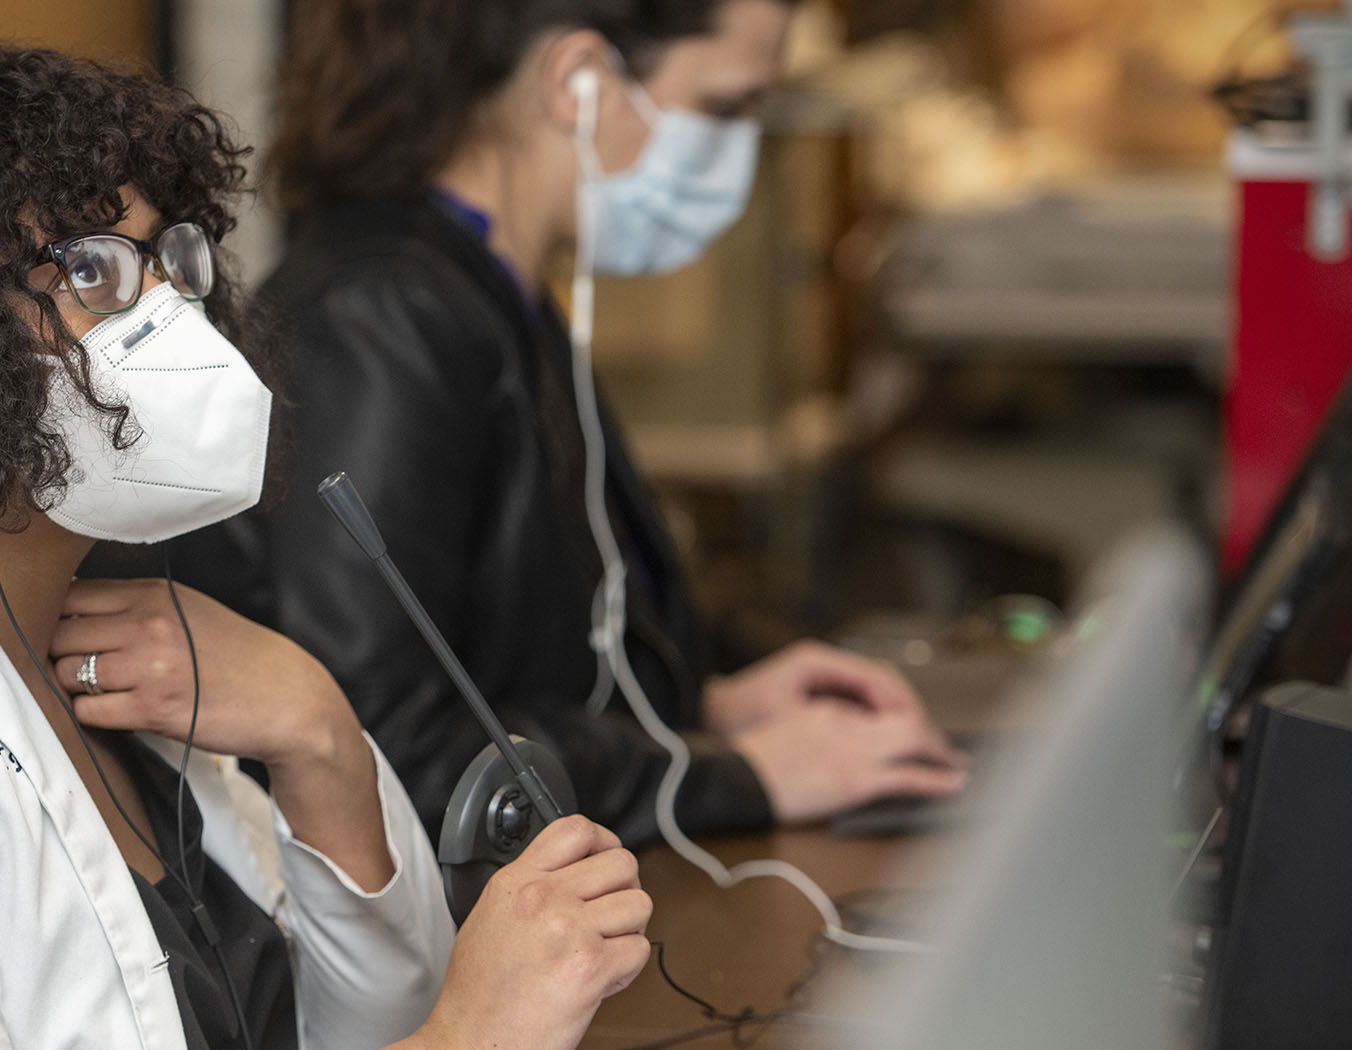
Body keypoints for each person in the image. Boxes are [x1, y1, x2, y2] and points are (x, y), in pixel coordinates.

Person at [0, 45, 649, 1050]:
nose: (172, 318)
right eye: (91, 271)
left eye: (167, 262)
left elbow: (371, 1028)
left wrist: (319, 736)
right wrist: (478, 1034)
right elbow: (448, 1031)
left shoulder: (114, 639)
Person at [162, 0, 968, 846]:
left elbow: (522, 646)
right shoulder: (382, 318)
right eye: (725, 105)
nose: (739, 150)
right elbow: (382, 751)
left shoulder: (489, 290)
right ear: (578, 80)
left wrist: (707, 707)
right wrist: (740, 774)